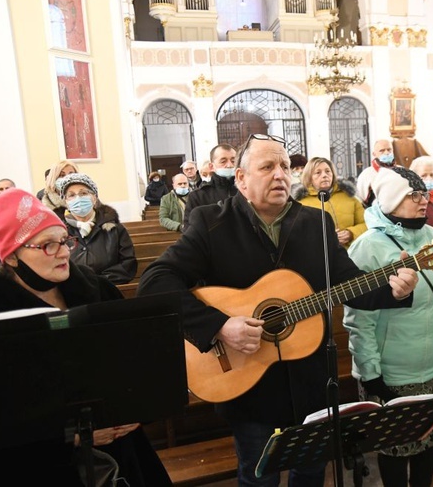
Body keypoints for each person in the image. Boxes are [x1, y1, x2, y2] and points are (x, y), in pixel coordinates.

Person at [136, 133, 418, 487]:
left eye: (285, 166)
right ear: (241, 178)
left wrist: (394, 289)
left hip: (311, 381)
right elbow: (156, 281)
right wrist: (219, 325)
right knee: (259, 479)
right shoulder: (211, 223)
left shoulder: (316, 223)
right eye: (267, 166)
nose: (280, 174)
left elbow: (349, 285)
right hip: (248, 382)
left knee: (311, 474)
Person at [0, 189, 171, 486]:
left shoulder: (96, 290)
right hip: (34, 464)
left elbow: (138, 361)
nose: (65, 252)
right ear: (12, 255)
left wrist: (138, 412)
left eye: (65, 240)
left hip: (121, 453)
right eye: (47, 246)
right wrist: (71, 436)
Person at [343, 166, 433, 487]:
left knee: (431, 440)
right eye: (414, 195)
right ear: (391, 200)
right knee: (395, 449)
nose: (424, 200)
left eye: (424, 192)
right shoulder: (368, 247)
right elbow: (358, 320)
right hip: (392, 372)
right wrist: (370, 374)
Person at [56, 173, 137, 285]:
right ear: (66, 202)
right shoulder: (58, 232)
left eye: (83, 193)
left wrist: (99, 282)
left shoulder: (114, 229)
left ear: (94, 198)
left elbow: (127, 264)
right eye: (71, 195)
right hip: (71, 293)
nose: (78, 198)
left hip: (108, 289)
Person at [291, 156, 366, 248]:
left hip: (351, 254)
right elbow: (296, 234)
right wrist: (324, 238)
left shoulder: (349, 197)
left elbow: (366, 223)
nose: (324, 175)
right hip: (318, 257)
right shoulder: (301, 203)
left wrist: (351, 233)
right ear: (309, 177)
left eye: (327, 171)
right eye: (318, 173)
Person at [182, 144, 239, 231]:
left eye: (233, 161)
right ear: (212, 166)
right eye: (223, 162)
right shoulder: (198, 196)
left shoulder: (245, 191)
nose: (229, 165)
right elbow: (189, 230)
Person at [356, 139, 397, 206]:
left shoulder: (402, 171)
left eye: (389, 150)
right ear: (374, 154)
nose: (387, 153)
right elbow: (361, 201)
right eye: (382, 150)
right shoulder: (366, 175)